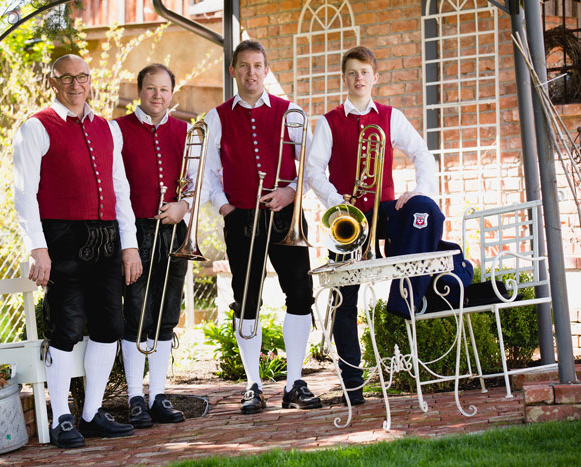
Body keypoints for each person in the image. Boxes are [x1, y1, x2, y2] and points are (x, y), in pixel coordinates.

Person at [13, 54, 142, 448]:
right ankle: (61, 418)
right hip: (61, 236)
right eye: (66, 78)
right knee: (66, 328)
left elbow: (121, 191)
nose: (75, 84)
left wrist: (130, 244)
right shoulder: (36, 127)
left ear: (90, 81)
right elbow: (23, 193)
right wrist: (37, 247)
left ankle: (91, 413)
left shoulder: (108, 129)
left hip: (106, 237)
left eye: (82, 77)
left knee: (109, 327)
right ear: (52, 82)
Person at [305, 46, 444, 406]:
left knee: (424, 211)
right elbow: (313, 170)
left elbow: (422, 154)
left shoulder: (390, 116)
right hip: (348, 219)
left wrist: (418, 192)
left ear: (375, 77)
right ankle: (353, 384)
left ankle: (405, 294)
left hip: (383, 211)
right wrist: (339, 205)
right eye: (352, 72)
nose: (359, 78)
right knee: (343, 301)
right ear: (345, 78)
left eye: (365, 72)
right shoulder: (329, 121)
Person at [204, 40, 321, 414]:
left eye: (258, 65)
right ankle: (252, 384)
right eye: (244, 66)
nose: (251, 72)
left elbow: (313, 166)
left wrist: (290, 191)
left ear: (266, 70)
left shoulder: (292, 112)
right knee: (247, 298)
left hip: (286, 214)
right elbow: (205, 169)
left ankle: (293, 382)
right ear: (233, 71)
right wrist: (224, 207)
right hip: (241, 218)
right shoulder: (217, 116)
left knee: (300, 293)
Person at [111, 64, 191, 428]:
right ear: (138, 91)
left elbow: (195, 180)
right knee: (137, 313)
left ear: (172, 93)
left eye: (164, 89)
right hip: (135, 232)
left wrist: (183, 205)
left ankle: (157, 395)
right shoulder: (118, 129)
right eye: (150, 89)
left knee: (166, 313)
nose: (157, 96)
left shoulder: (186, 131)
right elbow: (114, 187)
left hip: (173, 229)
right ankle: (133, 397)